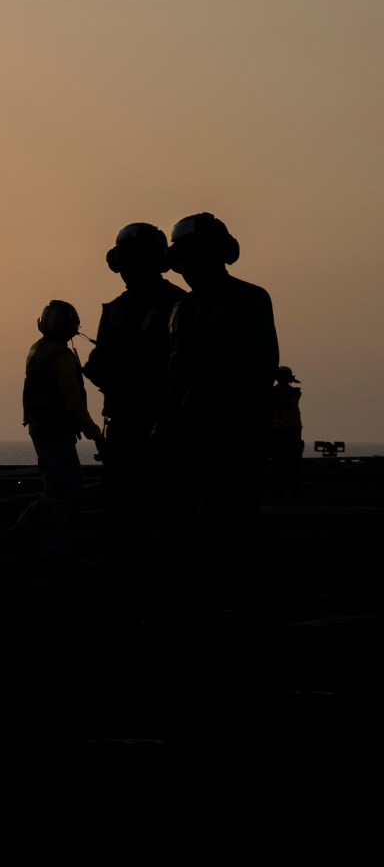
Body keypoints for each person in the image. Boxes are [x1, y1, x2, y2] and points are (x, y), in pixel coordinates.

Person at [157, 212, 281, 640]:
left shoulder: (250, 299)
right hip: (193, 437)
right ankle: (198, 615)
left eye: (194, 259)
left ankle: (252, 619)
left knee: (236, 523)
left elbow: (260, 363)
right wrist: (167, 421)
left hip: (237, 434)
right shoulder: (183, 308)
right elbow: (175, 375)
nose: (188, 270)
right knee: (198, 530)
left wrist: (207, 391)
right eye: (183, 261)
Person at [84, 223, 181, 619]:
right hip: (129, 426)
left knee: (164, 527)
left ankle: (161, 612)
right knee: (129, 529)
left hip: (164, 427)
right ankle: (137, 610)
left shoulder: (178, 306)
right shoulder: (119, 310)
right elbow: (99, 366)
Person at [11, 300, 103, 561]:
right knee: (62, 489)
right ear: (71, 327)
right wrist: (96, 435)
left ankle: (25, 527)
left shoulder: (38, 349)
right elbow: (73, 402)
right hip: (55, 428)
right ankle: (54, 552)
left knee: (65, 484)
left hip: (41, 424)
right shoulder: (61, 357)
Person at [269, 368, 304, 494]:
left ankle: (293, 488)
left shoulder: (294, 392)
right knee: (278, 462)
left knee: (292, 462)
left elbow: (288, 403)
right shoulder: (273, 392)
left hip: (291, 430)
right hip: (277, 430)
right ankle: (280, 488)